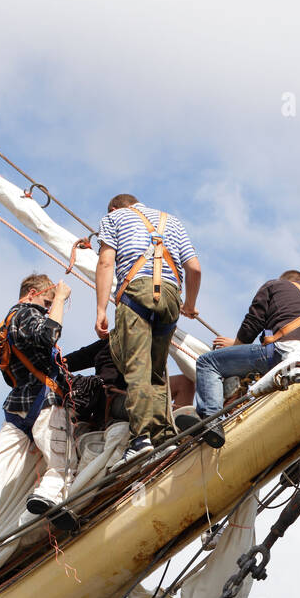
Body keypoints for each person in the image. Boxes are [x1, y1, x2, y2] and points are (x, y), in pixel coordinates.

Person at [0, 274, 75, 556]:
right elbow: (49, 333)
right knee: (63, 461)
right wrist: (60, 298)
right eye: (46, 300)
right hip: (45, 401)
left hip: (18, 405)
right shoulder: (28, 313)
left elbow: (11, 373)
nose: (48, 307)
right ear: (31, 293)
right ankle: (47, 498)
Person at [95, 193, 201, 461]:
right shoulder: (172, 221)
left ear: (114, 207)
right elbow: (194, 268)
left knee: (136, 367)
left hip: (136, 294)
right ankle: (164, 436)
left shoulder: (113, 217)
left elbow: (106, 262)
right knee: (156, 372)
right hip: (170, 298)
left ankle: (140, 438)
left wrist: (100, 309)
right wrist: (190, 304)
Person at [193, 271, 300, 446]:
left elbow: (253, 323)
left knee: (207, 362)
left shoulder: (274, 285)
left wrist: (236, 346)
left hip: (281, 354)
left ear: (286, 280)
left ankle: (212, 421)